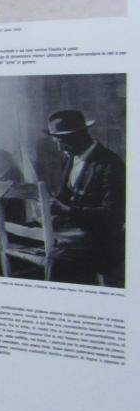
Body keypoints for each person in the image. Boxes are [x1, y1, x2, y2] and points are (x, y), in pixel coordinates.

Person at [45, 108, 125, 286]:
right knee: (1, 239)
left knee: (57, 259)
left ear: (77, 136)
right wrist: (51, 208)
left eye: (61, 141)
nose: (59, 147)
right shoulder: (71, 158)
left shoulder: (111, 164)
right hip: (74, 234)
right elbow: (64, 196)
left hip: (103, 241)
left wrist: (67, 210)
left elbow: (114, 215)